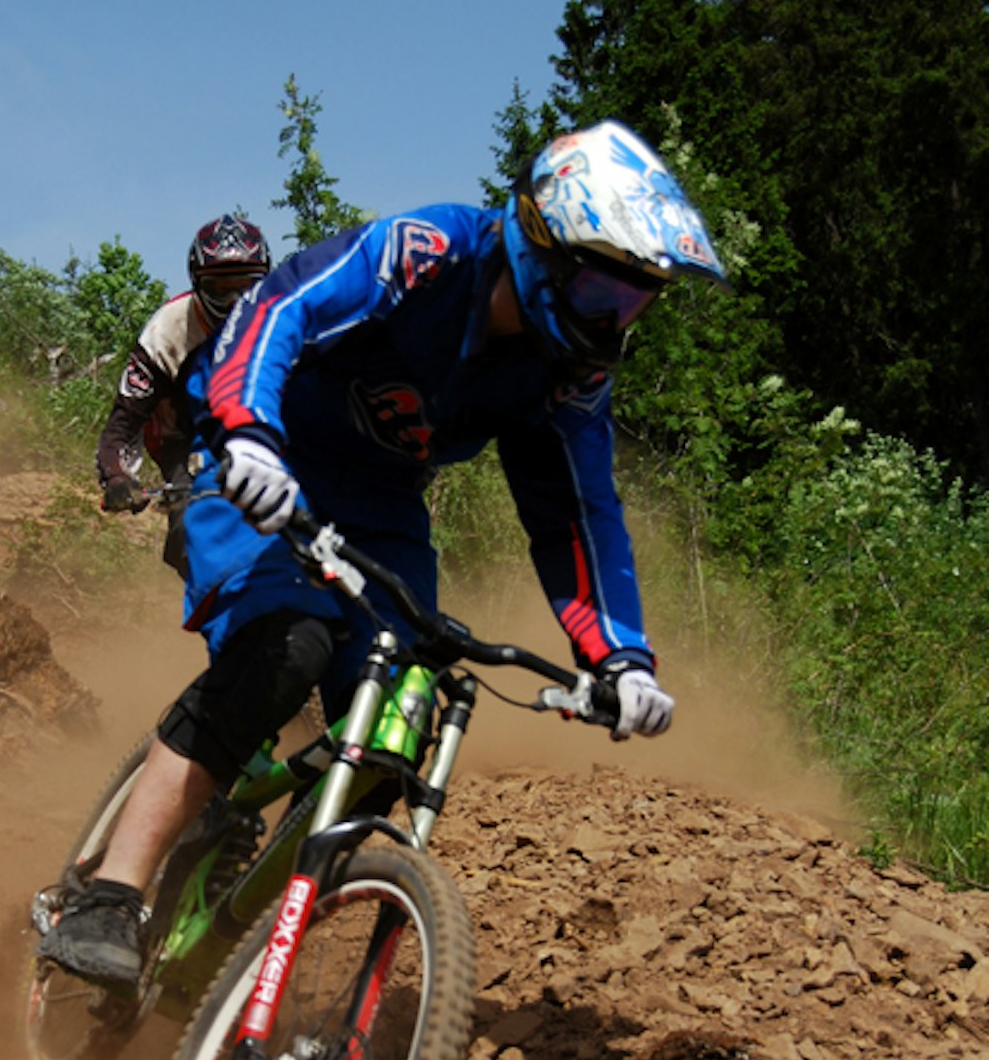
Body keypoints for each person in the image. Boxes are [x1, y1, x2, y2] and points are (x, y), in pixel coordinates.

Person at [41, 120, 729, 990]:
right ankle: (109, 894)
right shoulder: (429, 253)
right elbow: (283, 305)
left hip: (383, 506)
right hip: (262, 455)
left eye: (634, 304)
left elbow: (579, 515)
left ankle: (234, 953)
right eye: (602, 291)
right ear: (541, 245)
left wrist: (620, 657)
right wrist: (249, 430)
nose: (611, 321)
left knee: (400, 720)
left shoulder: (566, 375)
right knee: (287, 646)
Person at [94, 214, 271, 572]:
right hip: (183, 440)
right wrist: (117, 477)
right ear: (196, 283)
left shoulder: (284, 318)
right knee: (191, 528)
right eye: (220, 289)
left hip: (262, 431)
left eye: (245, 288)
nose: (234, 302)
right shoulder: (167, 331)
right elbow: (124, 422)